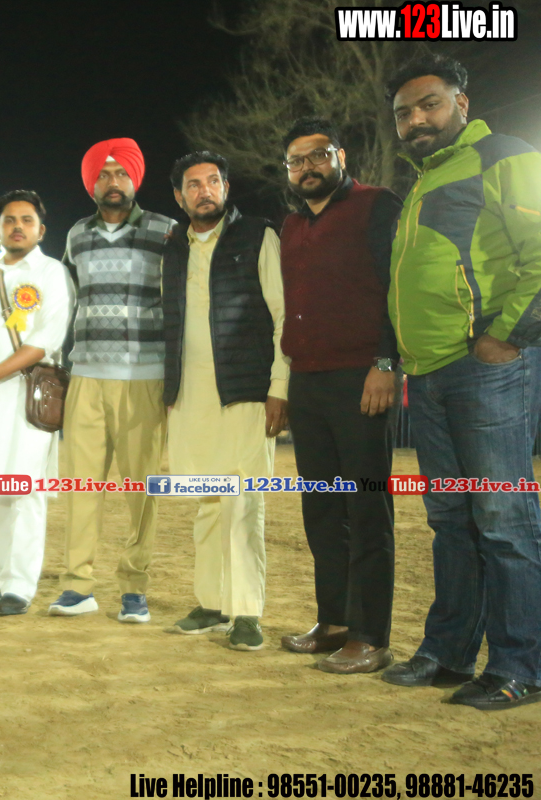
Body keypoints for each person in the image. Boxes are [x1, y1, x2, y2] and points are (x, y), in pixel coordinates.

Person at [378, 55, 541, 709]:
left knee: (503, 520)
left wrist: (508, 334)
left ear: (462, 104)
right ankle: (448, 653)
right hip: (430, 375)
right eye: (404, 113)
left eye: (429, 104)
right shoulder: (422, 181)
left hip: (486, 370)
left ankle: (519, 665)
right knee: (451, 520)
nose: (416, 120)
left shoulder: (503, 154)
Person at [278, 116, 401, 673]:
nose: (307, 167)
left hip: (361, 377)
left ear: (340, 157)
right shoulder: (291, 226)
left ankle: (371, 636)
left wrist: (385, 362)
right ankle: (333, 621)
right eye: (296, 161)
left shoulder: (376, 205)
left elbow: (395, 287)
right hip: (307, 380)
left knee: (366, 506)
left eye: (318, 155)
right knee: (323, 508)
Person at [162, 151, 288, 651]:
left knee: (243, 502)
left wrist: (280, 386)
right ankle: (212, 603)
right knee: (208, 501)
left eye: (213, 181)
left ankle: (246, 611)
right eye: (193, 184)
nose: (204, 191)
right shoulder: (173, 245)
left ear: (226, 188)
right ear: (179, 196)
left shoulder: (258, 235)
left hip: (246, 391)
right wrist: (169, 392)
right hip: (190, 396)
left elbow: (283, 314)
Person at [47, 138, 175, 624]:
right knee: (81, 487)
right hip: (86, 378)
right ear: (91, 185)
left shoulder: (165, 231)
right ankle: (77, 587)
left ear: (134, 179)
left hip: (144, 378)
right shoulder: (76, 235)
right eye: (102, 174)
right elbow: (65, 302)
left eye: (121, 172)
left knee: (141, 491)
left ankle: (134, 589)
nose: (112, 182)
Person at [0, 190, 74, 616]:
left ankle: (20, 587)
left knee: (25, 491)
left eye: (26, 220)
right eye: (9, 220)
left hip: (30, 395)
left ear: (41, 230)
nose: (17, 226)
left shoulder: (52, 272)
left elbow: (48, 338)